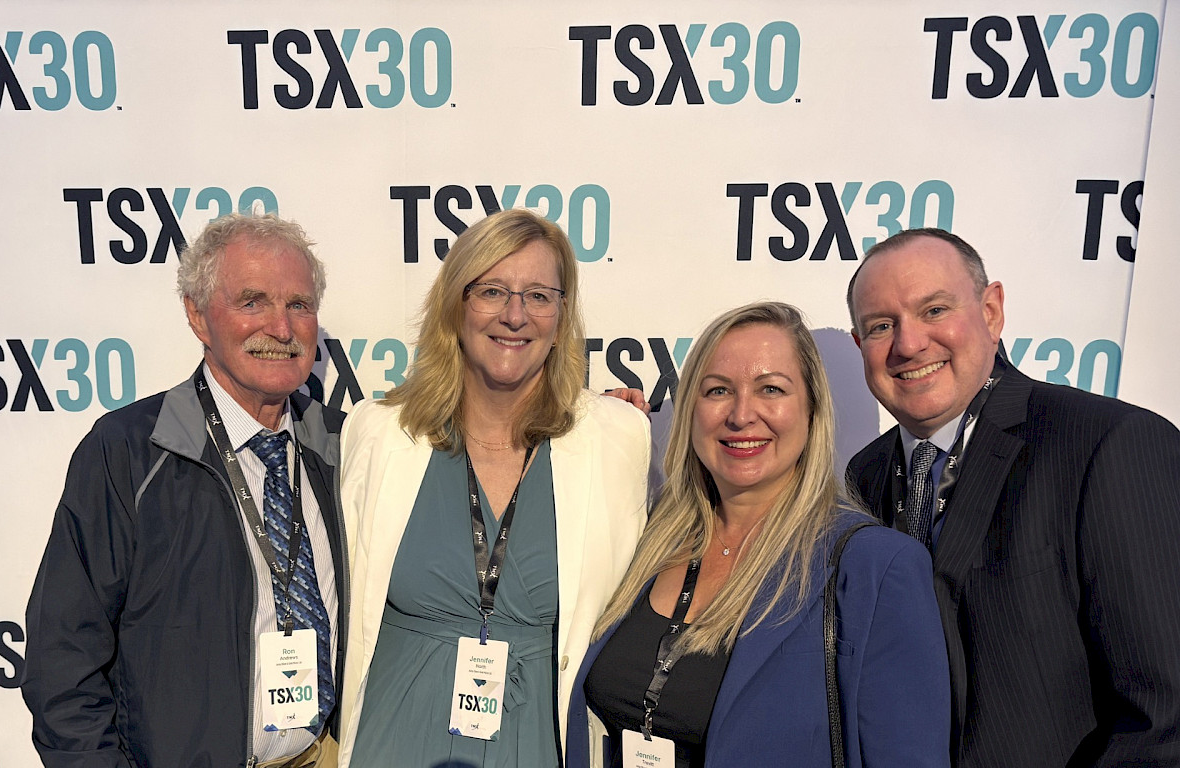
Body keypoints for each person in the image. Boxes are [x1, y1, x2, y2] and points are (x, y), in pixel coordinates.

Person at [845, 228, 1180, 766]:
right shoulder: (864, 476)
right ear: (860, 346)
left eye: (934, 310)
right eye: (881, 326)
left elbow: (1163, 718)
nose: (908, 344)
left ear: (992, 311)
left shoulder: (1107, 443)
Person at [21, 213, 346, 768]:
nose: (281, 328)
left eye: (299, 304)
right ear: (198, 316)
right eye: (252, 302)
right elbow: (62, 661)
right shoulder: (127, 453)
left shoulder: (342, 446)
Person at [568, 301, 949, 768]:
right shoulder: (649, 538)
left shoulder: (875, 568)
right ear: (690, 411)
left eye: (771, 389)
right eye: (718, 390)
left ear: (811, 410)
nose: (741, 414)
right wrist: (604, 436)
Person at [336, 208, 651, 767]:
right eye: (492, 291)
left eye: (538, 295)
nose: (515, 315)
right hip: (393, 740)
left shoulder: (617, 438)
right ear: (455, 305)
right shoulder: (379, 431)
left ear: (561, 315)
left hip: (541, 744)